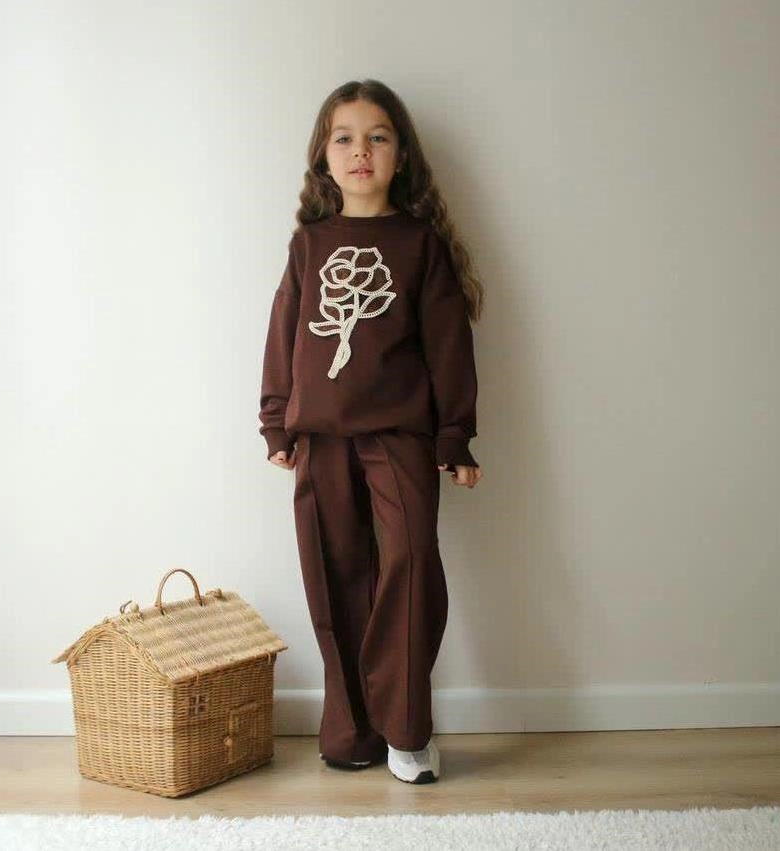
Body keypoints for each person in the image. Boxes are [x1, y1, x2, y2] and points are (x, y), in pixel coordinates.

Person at [258, 79, 484, 784]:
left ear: (401, 155)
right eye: (345, 137)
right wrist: (275, 420)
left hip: (400, 437)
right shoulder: (309, 245)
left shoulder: (420, 246)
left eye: (378, 137)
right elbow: (283, 335)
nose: (361, 150)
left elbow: (448, 345)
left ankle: (406, 731)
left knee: (410, 566)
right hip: (319, 439)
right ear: (323, 157)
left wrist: (454, 435)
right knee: (336, 577)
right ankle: (351, 730)